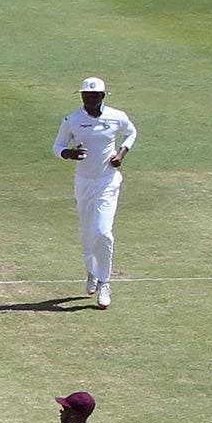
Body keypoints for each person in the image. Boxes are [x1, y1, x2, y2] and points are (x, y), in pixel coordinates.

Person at [53, 77, 136, 309]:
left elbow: (131, 133)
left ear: (102, 96)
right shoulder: (72, 120)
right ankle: (91, 271)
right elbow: (57, 146)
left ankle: (104, 281)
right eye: (85, 96)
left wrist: (121, 154)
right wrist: (69, 154)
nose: (88, 99)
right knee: (87, 232)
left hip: (107, 182)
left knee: (103, 232)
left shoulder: (116, 116)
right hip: (84, 183)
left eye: (93, 95)